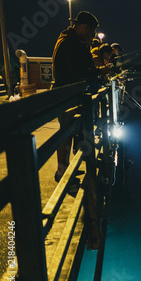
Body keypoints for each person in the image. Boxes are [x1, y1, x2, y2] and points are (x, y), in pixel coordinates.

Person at [52, 11, 99, 183]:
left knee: (69, 133)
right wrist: (96, 73)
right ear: (84, 27)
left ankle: (64, 171)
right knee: (66, 134)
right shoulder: (70, 43)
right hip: (66, 95)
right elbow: (77, 71)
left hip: (68, 95)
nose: (92, 36)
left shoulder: (71, 40)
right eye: (91, 32)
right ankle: (61, 173)